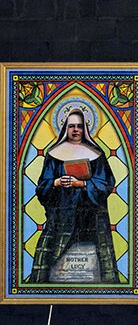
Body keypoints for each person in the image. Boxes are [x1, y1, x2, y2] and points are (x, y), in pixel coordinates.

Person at [29, 109, 120, 283]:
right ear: (65, 128)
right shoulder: (53, 155)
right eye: (72, 126)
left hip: (92, 221)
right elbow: (42, 187)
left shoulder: (96, 154)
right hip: (61, 219)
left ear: (85, 128)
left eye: (79, 126)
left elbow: (106, 184)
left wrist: (82, 184)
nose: (76, 130)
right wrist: (56, 183)